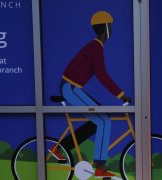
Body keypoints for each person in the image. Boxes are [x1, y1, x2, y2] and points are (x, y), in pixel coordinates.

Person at [50, 11, 131, 178]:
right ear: (106, 28)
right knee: (104, 121)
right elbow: (102, 75)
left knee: (99, 121)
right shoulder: (95, 47)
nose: (112, 30)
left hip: (72, 88)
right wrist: (121, 95)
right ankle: (100, 168)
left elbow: (101, 74)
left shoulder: (95, 47)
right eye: (111, 26)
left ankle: (60, 148)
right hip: (70, 88)